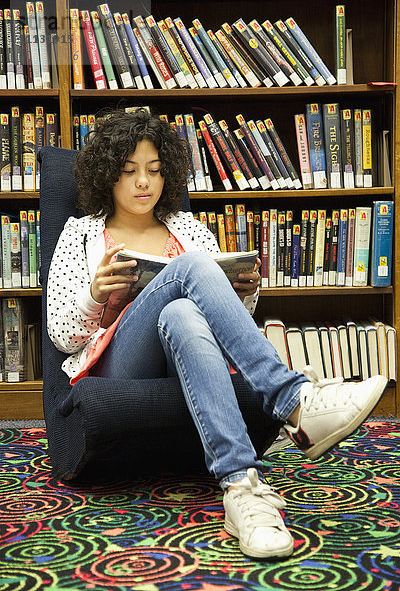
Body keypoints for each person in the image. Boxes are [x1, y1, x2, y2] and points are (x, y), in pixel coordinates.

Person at [47, 108, 387, 560]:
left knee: (187, 313)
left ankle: (242, 490)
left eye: (154, 170)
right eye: (129, 171)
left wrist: (244, 293)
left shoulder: (187, 229)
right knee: (190, 269)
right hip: (117, 365)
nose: (143, 182)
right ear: (108, 175)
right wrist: (94, 295)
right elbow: (61, 336)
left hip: (182, 351)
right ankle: (295, 401)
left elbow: (221, 321)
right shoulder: (81, 233)